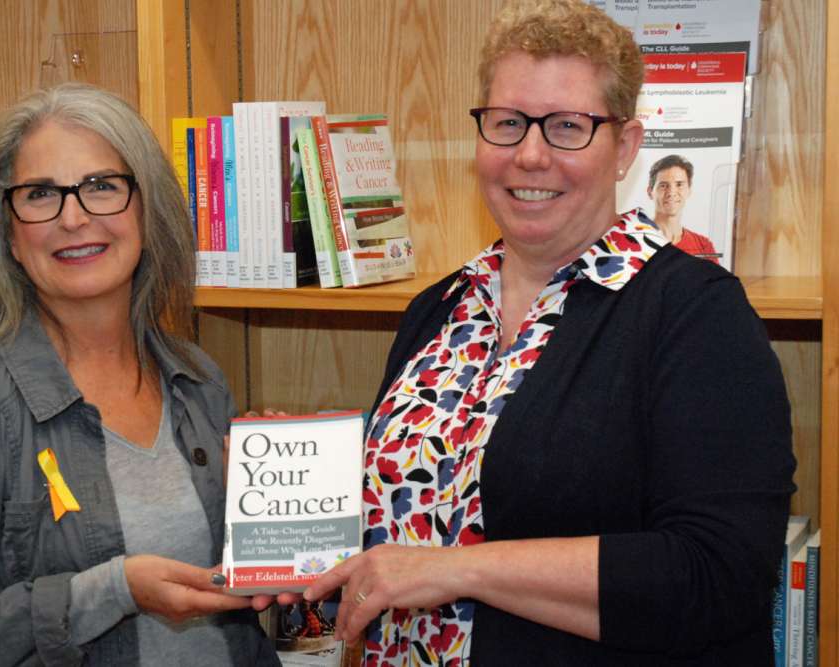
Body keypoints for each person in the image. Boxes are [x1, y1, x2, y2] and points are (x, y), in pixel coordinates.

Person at [302, 2, 794, 665]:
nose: (530, 155)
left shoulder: (697, 315)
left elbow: (717, 575)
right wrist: (296, 491)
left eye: (567, 127)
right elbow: (398, 528)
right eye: (507, 123)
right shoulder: (438, 308)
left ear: (624, 148)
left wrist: (453, 569)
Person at [0, 83, 279, 666]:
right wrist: (107, 592)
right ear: (10, 233)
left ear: (147, 209)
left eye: (101, 187)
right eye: (40, 194)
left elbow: (234, 588)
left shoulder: (200, 379)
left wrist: (286, 498)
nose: (73, 217)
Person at [647, 154, 720, 264]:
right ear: (650, 192)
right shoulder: (633, 243)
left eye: (679, 184)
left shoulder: (704, 247)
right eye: (663, 185)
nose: (671, 193)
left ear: (689, 190)